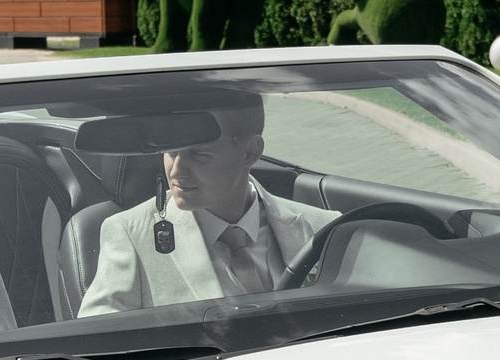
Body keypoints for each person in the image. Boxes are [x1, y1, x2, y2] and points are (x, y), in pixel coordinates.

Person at [77, 91, 334, 316]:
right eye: (171, 151)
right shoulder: (130, 234)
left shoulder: (325, 228)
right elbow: (97, 336)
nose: (176, 171)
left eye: (198, 154)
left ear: (250, 152)